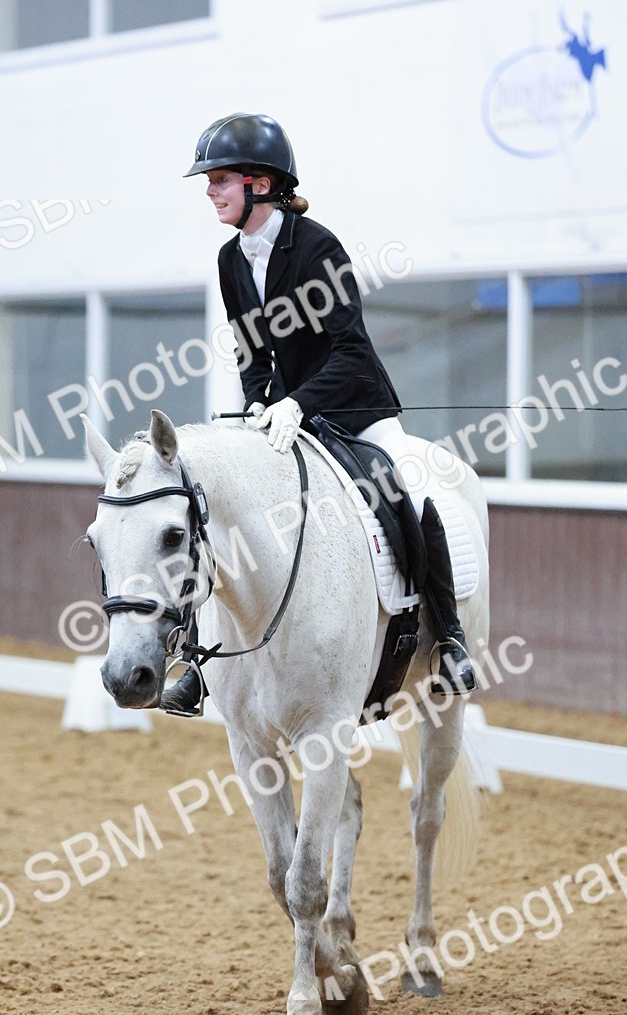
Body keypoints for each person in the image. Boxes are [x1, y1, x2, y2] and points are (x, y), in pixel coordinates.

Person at [160, 112, 476, 716]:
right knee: (216, 511)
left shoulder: (317, 247)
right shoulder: (231, 261)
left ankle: (448, 636)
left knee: (409, 492)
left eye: (219, 179)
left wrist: (298, 402)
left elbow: (349, 349)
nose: (210, 191)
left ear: (259, 184)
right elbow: (251, 350)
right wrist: (259, 400)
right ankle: (199, 662)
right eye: (210, 181)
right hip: (283, 414)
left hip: (355, 407)